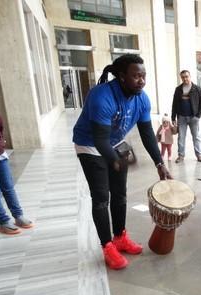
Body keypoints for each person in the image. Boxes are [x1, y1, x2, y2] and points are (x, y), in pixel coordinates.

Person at [72, 54, 171, 270]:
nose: (142, 80)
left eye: (144, 76)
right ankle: (107, 246)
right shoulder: (102, 97)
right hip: (89, 144)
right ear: (122, 77)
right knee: (101, 197)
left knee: (120, 194)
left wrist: (159, 163)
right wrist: (114, 161)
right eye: (136, 76)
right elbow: (99, 139)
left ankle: (120, 237)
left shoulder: (142, 99)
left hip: (116, 142)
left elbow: (146, 133)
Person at [0, 114, 33, 235]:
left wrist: (1, 143)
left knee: (8, 187)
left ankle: (18, 216)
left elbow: (1, 130)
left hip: (0, 156)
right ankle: (3, 221)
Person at [171, 70, 201, 163]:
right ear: (181, 78)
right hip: (181, 117)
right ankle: (181, 156)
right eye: (183, 77)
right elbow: (174, 104)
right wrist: (173, 117)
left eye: (186, 76)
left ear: (190, 76)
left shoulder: (197, 88)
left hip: (193, 117)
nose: (185, 78)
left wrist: (198, 116)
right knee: (181, 137)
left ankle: (199, 155)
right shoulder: (178, 89)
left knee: (196, 137)